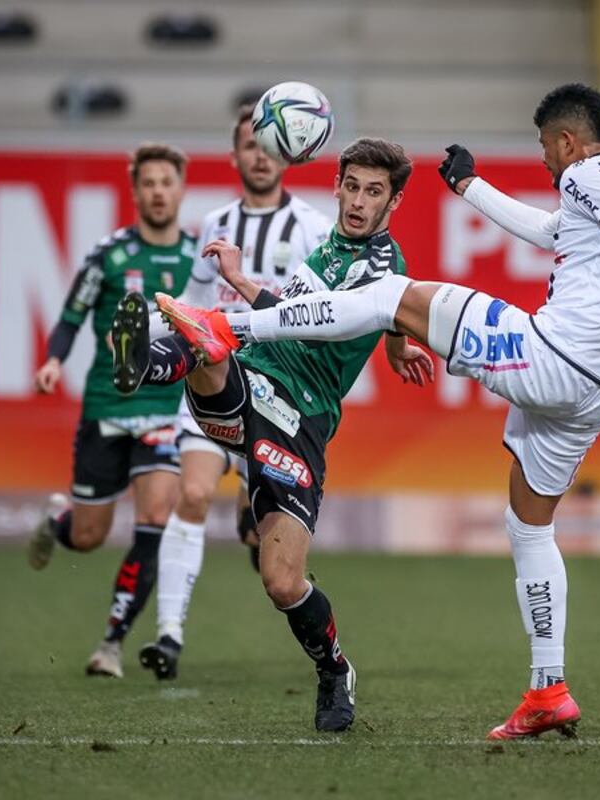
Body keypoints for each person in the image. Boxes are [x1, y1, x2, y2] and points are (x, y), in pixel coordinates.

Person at [148, 84, 600, 739]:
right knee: (529, 527)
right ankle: (548, 688)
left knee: (391, 295)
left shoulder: (589, 172)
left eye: (545, 147)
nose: (544, 160)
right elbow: (551, 231)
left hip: (552, 355)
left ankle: (224, 329)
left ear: (569, 141)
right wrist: (471, 188)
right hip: (595, 394)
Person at [110, 137, 434, 732]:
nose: (358, 202)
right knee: (208, 336)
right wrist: (395, 347)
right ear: (336, 185)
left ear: (394, 202)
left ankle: (334, 670)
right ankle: (149, 363)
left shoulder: (384, 266)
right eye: (352, 187)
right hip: (255, 378)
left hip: (301, 417)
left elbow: (314, 323)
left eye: (374, 192)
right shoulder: (331, 245)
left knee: (282, 583)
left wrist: (239, 281)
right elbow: (350, 314)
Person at [26, 142, 229, 681]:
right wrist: (53, 360)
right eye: (149, 183)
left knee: (156, 518)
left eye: (167, 182)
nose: (158, 192)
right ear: (136, 191)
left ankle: (111, 643)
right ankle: (58, 520)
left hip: (167, 406)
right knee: (88, 536)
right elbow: (71, 315)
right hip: (107, 404)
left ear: (181, 190)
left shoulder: (199, 260)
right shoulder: (109, 255)